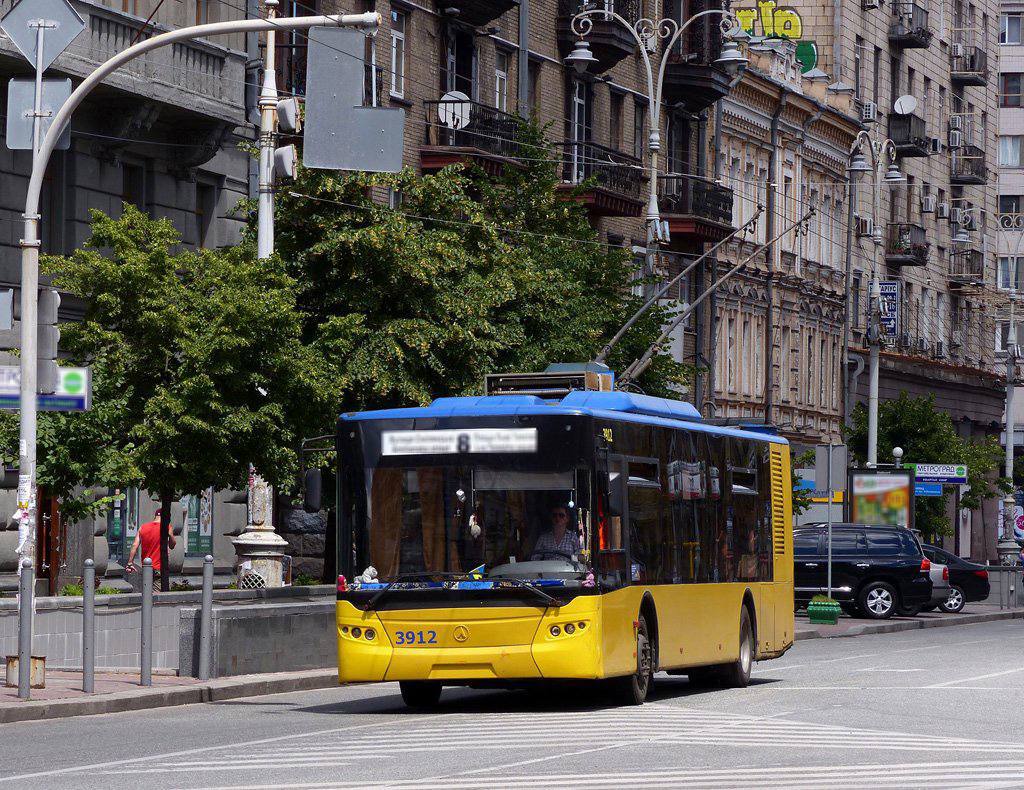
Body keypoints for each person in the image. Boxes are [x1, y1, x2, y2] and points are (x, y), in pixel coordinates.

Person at [126, 508, 176, 591]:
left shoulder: (143, 528)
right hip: (159, 568)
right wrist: (170, 535)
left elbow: (134, 545)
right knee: (157, 596)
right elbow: (172, 545)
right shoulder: (167, 527)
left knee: (146, 593)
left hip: (146, 568)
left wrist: (130, 562)